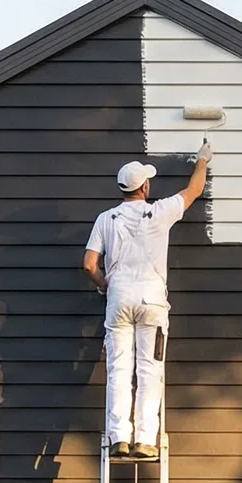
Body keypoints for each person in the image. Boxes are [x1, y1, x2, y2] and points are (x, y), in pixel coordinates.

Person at [82, 142, 212, 460]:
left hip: (119, 299)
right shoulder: (159, 212)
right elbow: (193, 190)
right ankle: (144, 439)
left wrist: (102, 284)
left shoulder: (106, 219)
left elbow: (88, 264)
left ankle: (118, 438)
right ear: (145, 187)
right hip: (151, 301)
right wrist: (203, 161)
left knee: (118, 368)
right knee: (150, 370)